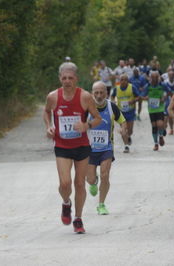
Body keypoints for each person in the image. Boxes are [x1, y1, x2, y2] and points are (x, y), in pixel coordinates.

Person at [43, 62, 102, 233]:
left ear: (76, 79)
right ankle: (66, 202)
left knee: (79, 183)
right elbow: (47, 111)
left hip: (82, 146)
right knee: (65, 183)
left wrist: (87, 126)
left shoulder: (85, 97)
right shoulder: (53, 97)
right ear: (60, 79)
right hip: (62, 145)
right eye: (64, 78)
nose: (67, 81)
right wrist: (48, 126)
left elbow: (97, 118)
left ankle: (78, 218)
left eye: (70, 78)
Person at [86, 81, 127, 215]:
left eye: (101, 92)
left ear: (106, 93)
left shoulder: (112, 107)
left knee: (105, 175)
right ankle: (93, 181)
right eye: (96, 92)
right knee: (90, 179)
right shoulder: (86, 107)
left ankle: (101, 204)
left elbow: (123, 121)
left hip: (106, 148)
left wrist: (123, 129)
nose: (98, 95)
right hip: (89, 149)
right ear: (92, 93)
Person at [111, 74, 138, 153]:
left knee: (130, 130)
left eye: (125, 80)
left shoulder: (132, 87)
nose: (123, 81)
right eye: (122, 80)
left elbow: (138, 96)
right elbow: (112, 96)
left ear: (128, 81)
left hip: (130, 111)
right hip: (121, 112)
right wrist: (113, 101)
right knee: (124, 130)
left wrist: (133, 101)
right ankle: (126, 146)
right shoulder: (116, 89)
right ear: (119, 81)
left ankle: (128, 136)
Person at [142, 72, 167, 151]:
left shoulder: (162, 85)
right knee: (154, 126)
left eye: (156, 77)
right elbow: (142, 95)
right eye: (153, 77)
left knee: (160, 124)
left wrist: (164, 97)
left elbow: (168, 92)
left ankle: (161, 136)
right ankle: (156, 144)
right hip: (151, 109)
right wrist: (145, 98)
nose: (154, 79)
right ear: (150, 78)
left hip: (160, 108)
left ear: (158, 77)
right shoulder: (148, 86)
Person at [163, 70, 174, 135]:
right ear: (168, 75)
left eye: (172, 75)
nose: (171, 76)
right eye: (170, 75)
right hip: (168, 101)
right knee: (169, 116)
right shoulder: (165, 82)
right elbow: (164, 92)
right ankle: (171, 129)